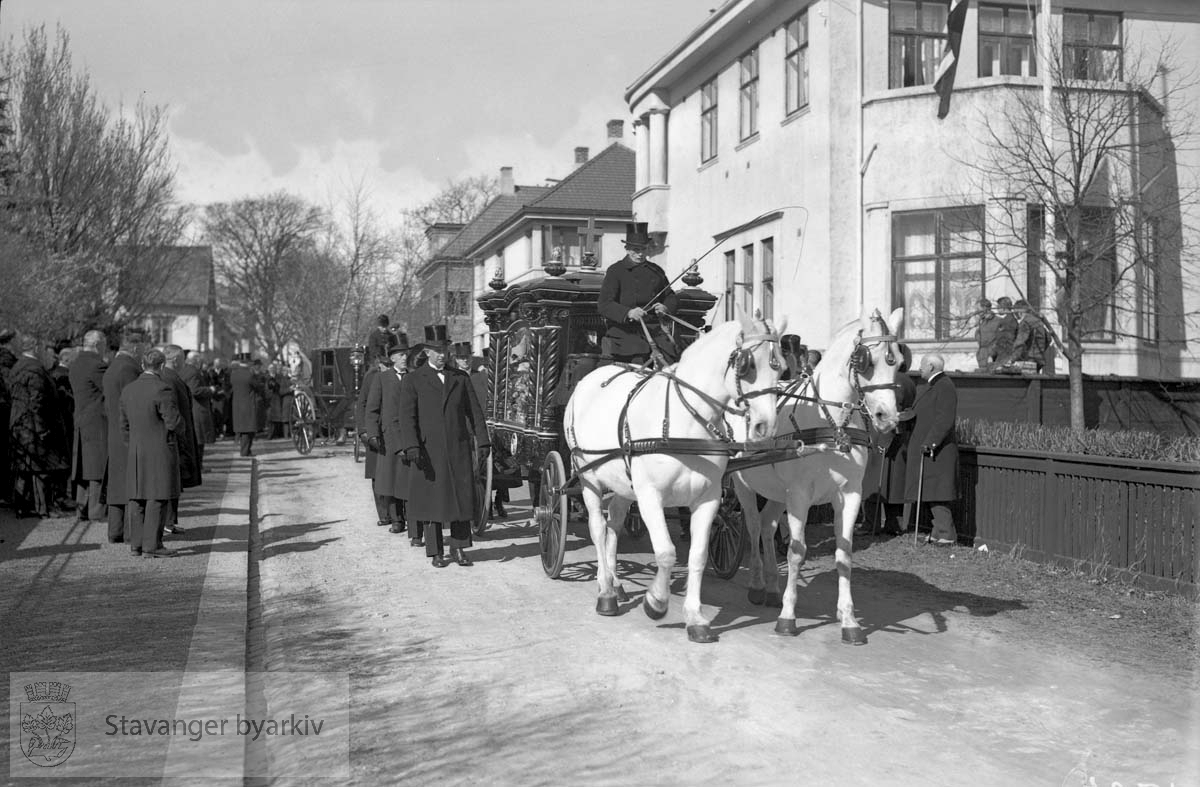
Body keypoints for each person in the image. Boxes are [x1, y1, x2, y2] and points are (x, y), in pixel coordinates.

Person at [398, 325, 488, 567]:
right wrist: (412, 446)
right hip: (428, 450)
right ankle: (436, 551)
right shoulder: (413, 380)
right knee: (432, 501)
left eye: (444, 350)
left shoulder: (460, 378)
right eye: (437, 350)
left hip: (458, 448)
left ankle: (459, 549)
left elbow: (475, 412)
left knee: (460, 498)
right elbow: (407, 418)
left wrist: (483, 440)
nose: (442, 354)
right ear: (427, 352)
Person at [120, 348, 183, 558]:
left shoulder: (128, 390)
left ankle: (136, 544)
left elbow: (123, 424)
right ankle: (153, 545)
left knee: (137, 497)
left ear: (142, 365)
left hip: (136, 449)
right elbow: (173, 422)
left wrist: (133, 443)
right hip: (159, 448)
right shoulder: (162, 389)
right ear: (162, 366)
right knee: (158, 496)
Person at [597, 222, 680, 365]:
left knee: (670, 362)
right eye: (636, 250)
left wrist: (665, 308)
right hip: (625, 334)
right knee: (638, 365)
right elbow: (604, 304)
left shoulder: (656, 271)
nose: (640, 254)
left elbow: (670, 296)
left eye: (644, 249)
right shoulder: (616, 270)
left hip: (654, 332)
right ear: (627, 249)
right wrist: (628, 313)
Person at [7, 334, 71, 518]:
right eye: (42, 348)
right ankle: (43, 508)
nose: (44, 352)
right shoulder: (35, 369)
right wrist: (43, 429)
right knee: (41, 470)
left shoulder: (17, 366)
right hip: (34, 426)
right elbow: (37, 402)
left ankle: (22, 506)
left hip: (19, 424)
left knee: (23, 468)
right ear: (35, 348)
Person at [905, 354, 960, 546]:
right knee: (930, 490)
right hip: (928, 449)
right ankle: (938, 532)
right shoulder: (933, 385)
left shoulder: (944, 386)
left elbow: (945, 418)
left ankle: (947, 534)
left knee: (937, 491)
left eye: (921, 365)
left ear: (930, 366)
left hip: (938, 451)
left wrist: (931, 443)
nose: (919, 368)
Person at [864, 344, 917, 534]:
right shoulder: (909, 381)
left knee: (874, 481)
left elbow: (888, 412)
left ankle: (872, 523)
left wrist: (881, 440)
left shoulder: (894, 381)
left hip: (885, 435)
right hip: (901, 437)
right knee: (895, 483)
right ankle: (893, 524)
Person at [370, 337, 416, 537]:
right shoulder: (382, 379)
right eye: (401, 355)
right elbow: (372, 409)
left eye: (406, 354)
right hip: (388, 437)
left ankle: (412, 517)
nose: (405, 358)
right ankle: (396, 519)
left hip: (410, 435)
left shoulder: (414, 377)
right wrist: (372, 434)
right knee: (391, 479)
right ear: (392, 358)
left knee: (409, 479)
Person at [103, 330, 145, 542]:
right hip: (129, 432)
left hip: (113, 432)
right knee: (133, 483)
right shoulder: (130, 369)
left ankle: (115, 530)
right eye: (142, 348)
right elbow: (134, 401)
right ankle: (132, 533)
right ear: (135, 347)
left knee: (117, 482)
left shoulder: (112, 367)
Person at [68, 330, 109, 523]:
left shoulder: (76, 363)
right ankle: (96, 511)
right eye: (104, 345)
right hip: (97, 421)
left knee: (83, 466)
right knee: (97, 467)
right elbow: (109, 390)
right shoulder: (97, 365)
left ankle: (82, 508)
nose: (105, 348)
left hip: (81, 418)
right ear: (97, 345)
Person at [161, 344, 201, 535]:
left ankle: (171, 521)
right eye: (183, 359)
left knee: (176, 481)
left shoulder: (172, 376)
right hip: (176, 437)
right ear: (176, 360)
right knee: (172, 481)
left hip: (181, 435)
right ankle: (168, 522)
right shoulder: (168, 378)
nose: (184, 363)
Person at [180, 352, 217, 473]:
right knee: (199, 441)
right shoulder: (193, 372)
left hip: (193, 408)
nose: (201, 363)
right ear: (196, 360)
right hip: (197, 409)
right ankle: (198, 467)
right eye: (200, 360)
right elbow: (195, 390)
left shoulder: (185, 370)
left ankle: (197, 466)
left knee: (197, 440)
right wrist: (209, 389)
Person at [230, 353, 264, 457]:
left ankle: (245, 450)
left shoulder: (234, 373)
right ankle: (245, 451)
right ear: (248, 363)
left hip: (237, 404)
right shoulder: (249, 374)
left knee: (243, 428)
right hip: (248, 404)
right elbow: (258, 386)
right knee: (248, 429)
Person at [1011, 299, 1051, 373]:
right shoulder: (1037, 321)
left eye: (1015, 312)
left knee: (1027, 382)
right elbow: (1048, 338)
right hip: (1039, 359)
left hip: (1029, 359)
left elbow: (1020, 342)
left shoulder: (1025, 322)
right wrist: (1040, 351)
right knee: (1036, 381)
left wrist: (1012, 359)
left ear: (1020, 311)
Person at [975, 297, 1000, 371]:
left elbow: (998, 341)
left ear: (984, 308)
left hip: (991, 357)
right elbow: (979, 338)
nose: (977, 312)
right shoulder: (982, 322)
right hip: (982, 356)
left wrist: (991, 355)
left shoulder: (998, 321)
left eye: (978, 309)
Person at [992, 296, 1018, 366]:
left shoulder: (1007, 321)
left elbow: (1004, 340)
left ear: (1003, 307)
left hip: (1004, 355)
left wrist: (994, 352)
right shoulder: (1008, 320)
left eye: (998, 307)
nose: (997, 309)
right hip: (1004, 354)